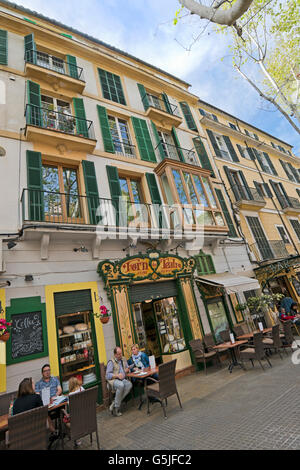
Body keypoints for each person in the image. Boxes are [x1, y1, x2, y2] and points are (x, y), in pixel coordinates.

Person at [105, 347, 132, 417]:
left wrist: (128, 370)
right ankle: (117, 408)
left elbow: (127, 368)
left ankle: (114, 403)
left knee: (129, 385)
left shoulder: (123, 359)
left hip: (122, 378)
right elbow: (107, 375)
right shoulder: (111, 362)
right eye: (118, 354)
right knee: (121, 385)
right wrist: (117, 375)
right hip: (113, 380)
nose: (120, 355)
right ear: (115, 355)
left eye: (121, 353)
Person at [35, 364, 62, 434]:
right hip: (46, 404)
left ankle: (66, 429)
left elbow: (60, 389)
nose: (47, 372)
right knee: (45, 414)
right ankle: (55, 432)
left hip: (56, 402)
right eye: (45, 371)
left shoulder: (55, 379)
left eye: (49, 370)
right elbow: (37, 396)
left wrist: (55, 396)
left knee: (64, 407)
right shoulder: (38, 384)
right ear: (42, 373)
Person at [61, 377, 84, 448]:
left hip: (76, 420)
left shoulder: (71, 395)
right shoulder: (82, 389)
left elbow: (70, 408)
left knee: (65, 419)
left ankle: (74, 437)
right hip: (85, 416)